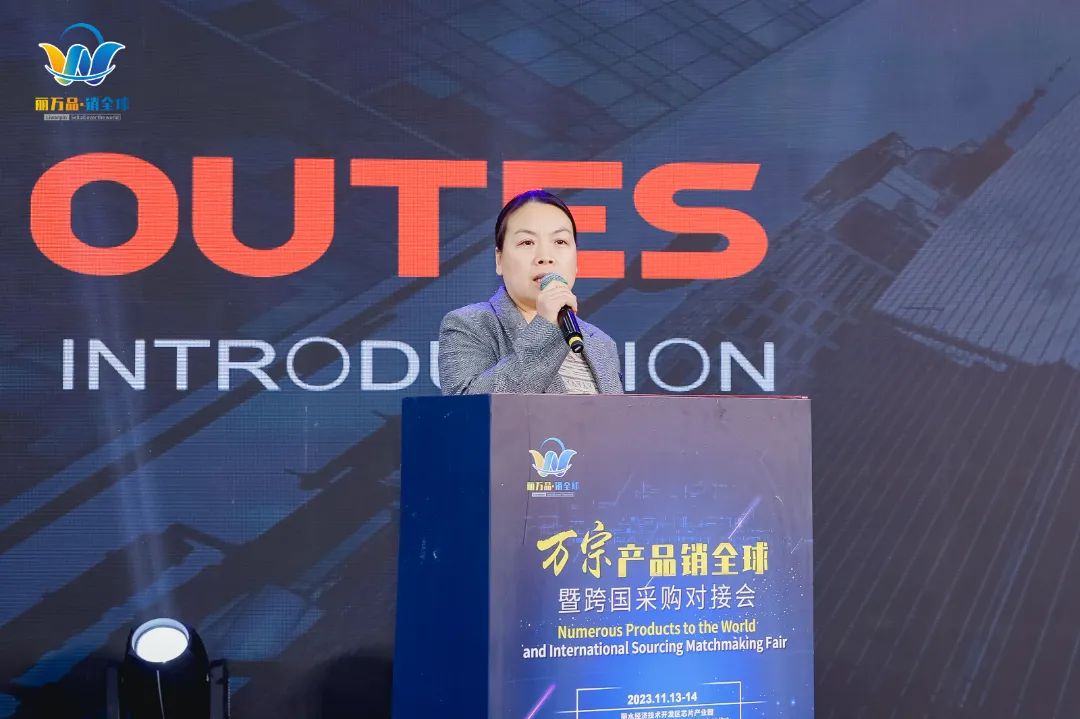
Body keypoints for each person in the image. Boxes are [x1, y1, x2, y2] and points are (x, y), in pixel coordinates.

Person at [438, 189, 624, 395]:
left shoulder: (601, 343)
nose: (545, 256)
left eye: (560, 242)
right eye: (527, 242)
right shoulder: (469, 325)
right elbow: (469, 407)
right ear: (499, 260)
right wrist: (545, 326)